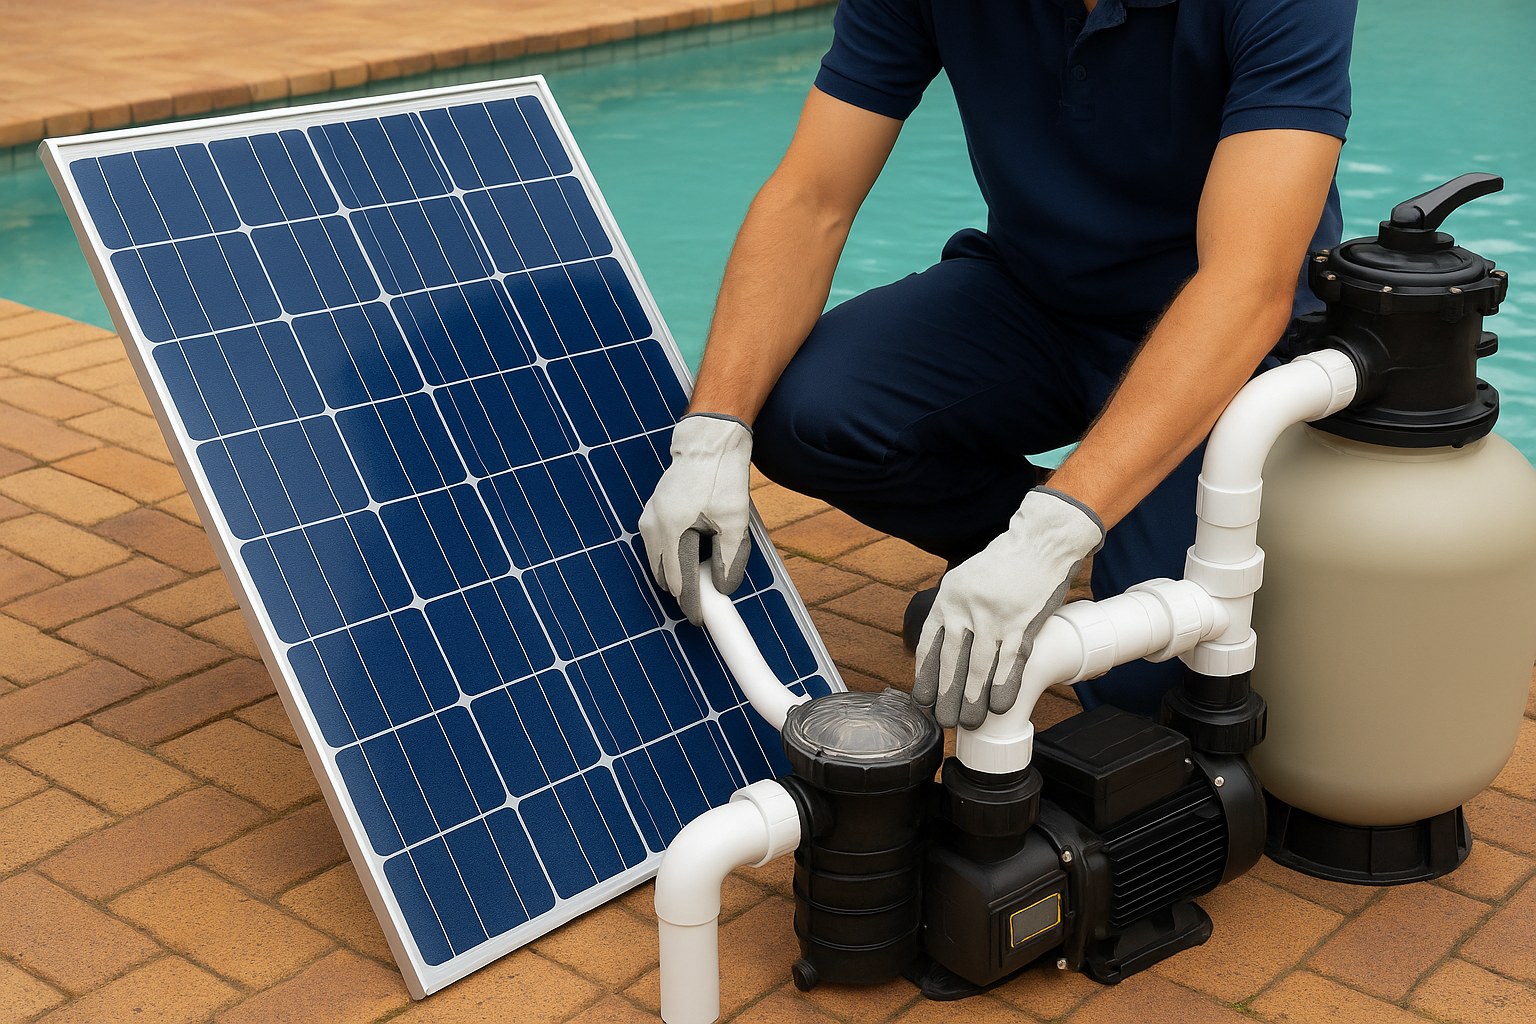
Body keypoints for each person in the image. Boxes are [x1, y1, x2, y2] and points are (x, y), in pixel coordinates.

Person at [639, 0, 1357, 728]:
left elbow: (1245, 285)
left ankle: (1078, 536)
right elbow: (811, 198)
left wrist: (1053, 531)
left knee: (1156, 676)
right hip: (1034, 297)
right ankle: (1014, 553)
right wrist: (712, 429)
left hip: (1222, 345)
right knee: (805, 412)